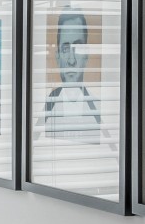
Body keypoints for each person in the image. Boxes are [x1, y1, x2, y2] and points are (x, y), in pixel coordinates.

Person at [42, 8, 102, 141]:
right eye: (65, 49)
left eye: (78, 48)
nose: (71, 60)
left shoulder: (100, 109)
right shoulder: (45, 108)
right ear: (57, 57)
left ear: (86, 55)